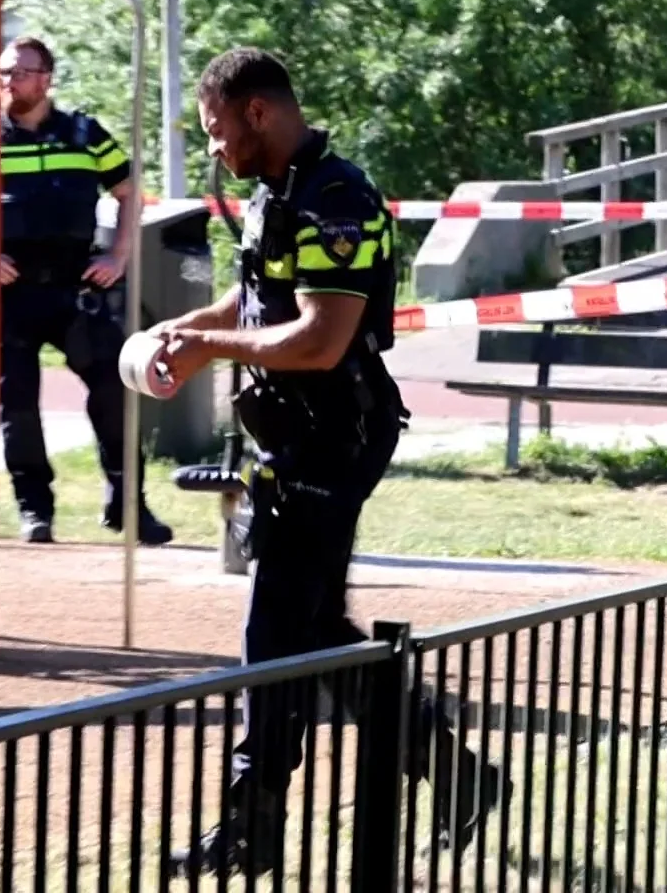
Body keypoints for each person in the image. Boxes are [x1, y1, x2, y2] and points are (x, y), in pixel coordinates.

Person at [151, 47, 506, 879]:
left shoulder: (335, 196)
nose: (214, 149)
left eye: (216, 131)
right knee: (313, 630)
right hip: (296, 435)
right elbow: (257, 298)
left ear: (258, 113)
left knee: (273, 629)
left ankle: (253, 825)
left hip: (333, 436)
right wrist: (187, 330)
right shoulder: (274, 194)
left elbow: (319, 338)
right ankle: (456, 775)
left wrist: (205, 348)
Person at [0, 34, 173, 546]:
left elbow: (127, 191)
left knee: (117, 388)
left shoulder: (85, 133)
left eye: (21, 72)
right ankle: (35, 510)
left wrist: (117, 255)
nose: (10, 82)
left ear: (47, 78)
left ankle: (128, 504)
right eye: (4, 72)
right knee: (18, 405)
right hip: (11, 294)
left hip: (76, 289)